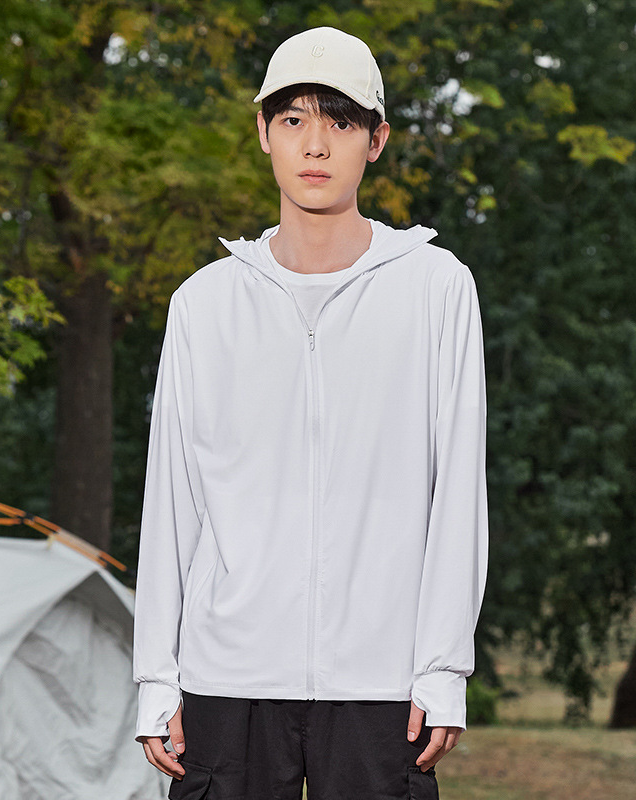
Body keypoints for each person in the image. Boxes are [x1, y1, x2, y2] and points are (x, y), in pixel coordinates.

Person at [133, 26, 488, 800]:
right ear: (264, 132)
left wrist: (441, 668)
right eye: (293, 118)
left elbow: (457, 493)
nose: (315, 144)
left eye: (341, 120)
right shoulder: (203, 304)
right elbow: (172, 502)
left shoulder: (437, 289)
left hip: (382, 683)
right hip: (225, 679)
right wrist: (158, 676)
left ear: (377, 140)